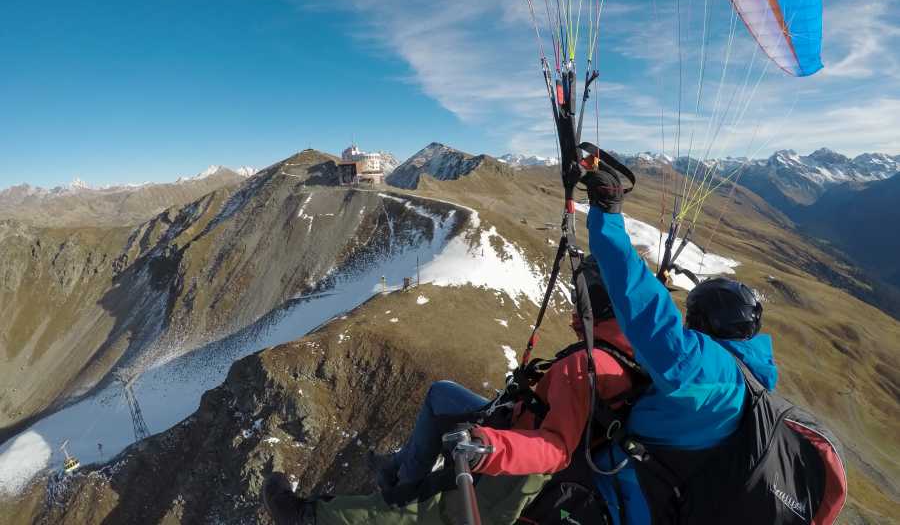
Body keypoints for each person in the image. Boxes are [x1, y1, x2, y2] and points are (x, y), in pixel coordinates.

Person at [263, 266, 641, 525]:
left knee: (421, 509)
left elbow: (556, 448)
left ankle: (307, 515)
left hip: (522, 462)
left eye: (580, 297)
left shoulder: (585, 366)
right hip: (520, 426)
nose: (575, 305)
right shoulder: (633, 353)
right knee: (441, 393)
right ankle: (399, 470)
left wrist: (489, 447)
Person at [580, 164, 777, 525]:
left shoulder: (707, 371)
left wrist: (607, 218)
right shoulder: (752, 379)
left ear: (705, 323)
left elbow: (647, 311)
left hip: (622, 502)